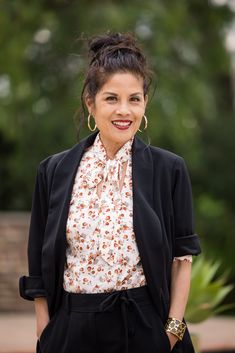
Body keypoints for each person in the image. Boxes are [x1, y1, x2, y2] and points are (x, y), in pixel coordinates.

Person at [19, 32, 201, 353]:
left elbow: (181, 259)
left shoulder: (169, 169)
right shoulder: (53, 171)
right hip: (71, 330)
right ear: (91, 103)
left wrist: (171, 333)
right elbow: (38, 258)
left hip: (145, 329)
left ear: (145, 103)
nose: (124, 111)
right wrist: (45, 332)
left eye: (134, 99)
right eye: (111, 98)